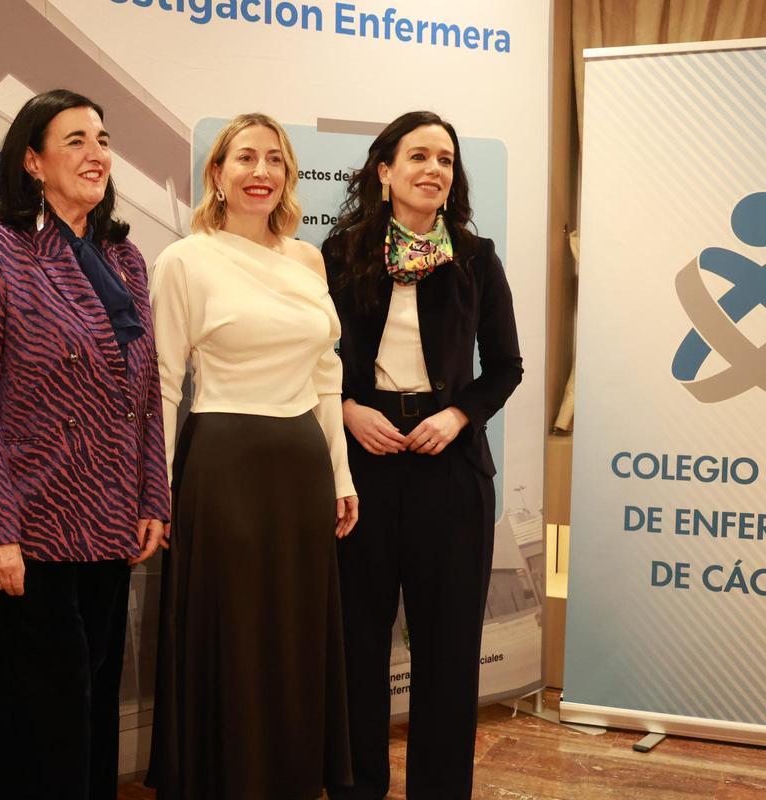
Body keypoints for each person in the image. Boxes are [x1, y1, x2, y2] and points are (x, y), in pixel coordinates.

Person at [0, 88, 170, 800]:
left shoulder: (124, 256)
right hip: (29, 526)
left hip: (109, 520)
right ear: (32, 161)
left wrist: (152, 498)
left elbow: (145, 392)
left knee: (93, 705)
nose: (97, 153)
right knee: (40, 718)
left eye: (102, 139)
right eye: (75, 139)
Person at [146, 113, 359, 800]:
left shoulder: (306, 257)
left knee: (295, 630)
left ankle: (292, 776)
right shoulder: (185, 260)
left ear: (289, 175)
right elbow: (161, 380)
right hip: (223, 463)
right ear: (217, 173)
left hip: (301, 463)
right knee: (234, 632)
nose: (260, 171)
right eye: (245, 158)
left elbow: (327, 373)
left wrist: (340, 471)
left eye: (274, 159)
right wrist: (158, 491)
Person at [321, 110, 523, 800]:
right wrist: (349, 411)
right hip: (363, 465)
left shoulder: (474, 257)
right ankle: (357, 788)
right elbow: (316, 356)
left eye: (445, 159)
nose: (434, 169)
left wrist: (459, 414)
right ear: (385, 171)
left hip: (450, 467)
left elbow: (504, 366)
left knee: (447, 650)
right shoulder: (341, 252)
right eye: (418, 156)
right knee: (357, 644)